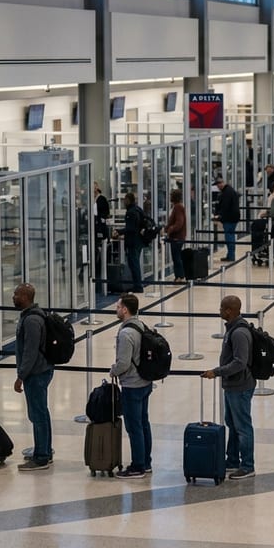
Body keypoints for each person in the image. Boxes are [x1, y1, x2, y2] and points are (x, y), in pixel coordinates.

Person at [200, 295, 255, 479]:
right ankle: (232, 460)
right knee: (232, 423)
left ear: (230, 311)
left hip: (240, 386)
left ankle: (247, 466)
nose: (220, 311)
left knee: (242, 426)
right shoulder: (232, 329)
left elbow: (240, 362)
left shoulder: (239, 333)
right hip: (232, 385)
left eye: (222, 308)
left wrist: (216, 372)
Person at [111, 294, 153, 478]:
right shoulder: (141, 325)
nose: (116, 308)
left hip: (132, 385)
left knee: (134, 426)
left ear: (125, 309)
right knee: (143, 423)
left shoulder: (126, 332)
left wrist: (113, 371)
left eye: (118, 306)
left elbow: (123, 363)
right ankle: (146, 461)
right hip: (145, 381)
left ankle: (138, 466)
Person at [13, 283, 53, 471]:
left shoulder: (31, 320)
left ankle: (41, 457)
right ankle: (44, 449)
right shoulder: (33, 316)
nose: (13, 297)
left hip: (36, 373)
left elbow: (30, 352)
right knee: (41, 412)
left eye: (16, 294)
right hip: (39, 371)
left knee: (37, 415)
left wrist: (21, 376)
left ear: (25, 296)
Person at [112, 192, 147, 293]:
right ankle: (137, 284)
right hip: (139, 241)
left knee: (134, 264)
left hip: (133, 242)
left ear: (129, 200)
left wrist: (119, 231)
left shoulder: (131, 212)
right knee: (135, 263)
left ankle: (137, 286)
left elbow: (130, 228)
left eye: (125, 199)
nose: (124, 201)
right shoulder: (138, 209)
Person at [213, 177, 240, 262]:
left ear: (222, 183)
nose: (218, 186)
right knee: (230, 236)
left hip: (229, 218)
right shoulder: (230, 190)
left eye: (218, 184)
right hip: (233, 217)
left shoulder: (226, 192)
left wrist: (219, 215)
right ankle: (230, 254)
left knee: (229, 236)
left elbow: (225, 206)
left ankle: (231, 256)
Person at [163, 189, 187, 280]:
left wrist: (170, 229)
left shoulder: (178, 207)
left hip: (177, 237)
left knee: (176, 257)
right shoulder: (178, 207)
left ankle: (180, 276)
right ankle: (179, 276)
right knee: (176, 257)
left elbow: (179, 223)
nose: (170, 197)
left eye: (171, 195)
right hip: (177, 237)